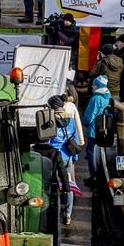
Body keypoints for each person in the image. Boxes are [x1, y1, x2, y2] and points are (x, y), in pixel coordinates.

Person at [46, 94, 80, 225]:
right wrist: (74, 157)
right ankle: (68, 215)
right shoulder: (70, 120)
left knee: (51, 186)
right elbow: (75, 139)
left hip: (54, 157)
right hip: (67, 156)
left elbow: (47, 140)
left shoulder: (50, 120)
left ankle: (52, 212)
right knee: (68, 184)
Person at [83, 75, 112, 185]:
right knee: (103, 154)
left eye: (94, 84)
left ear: (98, 86)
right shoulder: (108, 97)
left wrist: (84, 122)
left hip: (94, 131)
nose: (92, 85)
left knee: (91, 154)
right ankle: (104, 175)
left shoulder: (95, 99)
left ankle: (94, 176)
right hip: (105, 130)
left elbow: (89, 116)